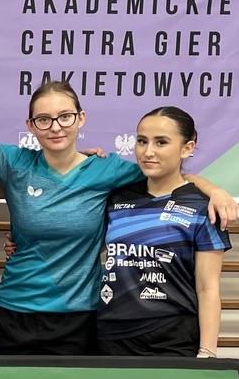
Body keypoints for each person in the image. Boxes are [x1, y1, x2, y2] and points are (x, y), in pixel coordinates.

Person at [0, 80, 237, 356]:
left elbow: (172, 175)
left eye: (65, 116)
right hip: (23, 314)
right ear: (30, 125)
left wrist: (214, 190)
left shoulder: (110, 171)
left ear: (81, 118)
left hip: (88, 320)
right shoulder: (17, 163)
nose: (55, 127)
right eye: (43, 119)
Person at [97, 107, 230, 357]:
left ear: (187, 148)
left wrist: (207, 350)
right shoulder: (116, 198)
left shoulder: (202, 207)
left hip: (173, 336)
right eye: (142, 141)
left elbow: (208, 288)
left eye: (161, 142)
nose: (148, 152)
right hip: (111, 333)